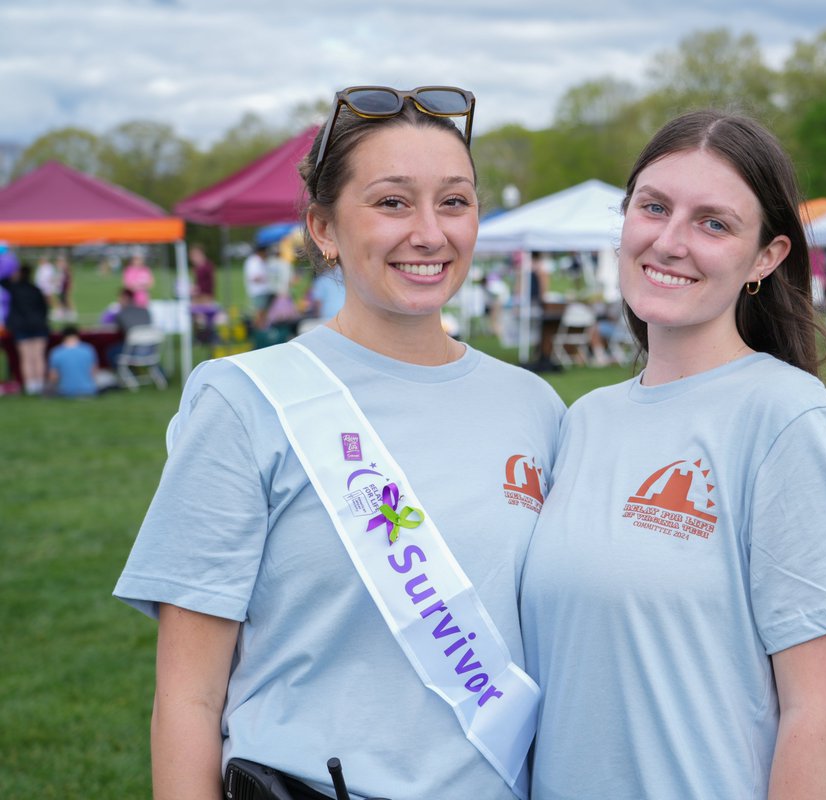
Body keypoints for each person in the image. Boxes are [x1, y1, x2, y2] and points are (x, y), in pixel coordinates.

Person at [114, 84, 564, 800]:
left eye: (454, 201)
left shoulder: (535, 406)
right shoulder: (246, 402)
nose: (429, 232)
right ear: (323, 228)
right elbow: (187, 699)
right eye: (392, 202)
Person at [520, 110, 826, 800]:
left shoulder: (788, 420)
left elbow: (819, 713)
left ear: (766, 258)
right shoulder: (581, 420)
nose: (669, 242)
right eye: (654, 207)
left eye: (713, 223)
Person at [0, 263, 51, 394]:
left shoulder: (14, 288)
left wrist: (11, 272)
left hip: (21, 326)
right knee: (38, 356)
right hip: (38, 325)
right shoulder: (36, 290)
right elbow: (45, 308)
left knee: (27, 357)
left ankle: (30, 385)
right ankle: (39, 383)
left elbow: (3, 280)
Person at [47, 324, 98, 397]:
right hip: (88, 390)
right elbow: (93, 372)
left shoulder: (56, 352)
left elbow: (53, 377)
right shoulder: (88, 349)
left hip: (65, 391)